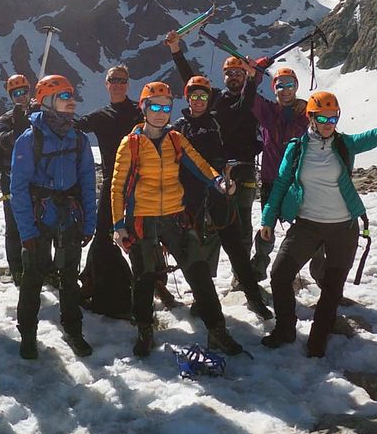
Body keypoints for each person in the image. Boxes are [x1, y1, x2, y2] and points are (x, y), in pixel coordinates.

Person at [259, 91, 377, 357]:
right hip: (306, 225)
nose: (330, 122)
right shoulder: (296, 149)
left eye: (334, 116)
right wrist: (267, 219)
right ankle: (285, 329)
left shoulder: (344, 144)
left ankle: (318, 339)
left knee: (331, 287)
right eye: (323, 117)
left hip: (343, 228)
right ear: (311, 118)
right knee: (280, 274)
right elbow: (281, 185)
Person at [112, 81, 244, 359]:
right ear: (144, 108)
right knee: (145, 278)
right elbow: (118, 186)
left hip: (174, 216)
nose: (161, 112)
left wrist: (219, 182)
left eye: (166, 107)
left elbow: (199, 164)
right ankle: (145, 329)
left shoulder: (176, 139)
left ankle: (217, 328)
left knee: (198, 273)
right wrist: (118, 225)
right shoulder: (130, 144)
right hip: (142, 220)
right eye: (155, 106)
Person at [170, 75, 273, 320]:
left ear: (209, 99)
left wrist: (251, 78)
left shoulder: (219, 121)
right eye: (194, 96)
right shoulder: (178, 128)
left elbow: (244, 103)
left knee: (235, 247)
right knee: (197, 250)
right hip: (191, 198)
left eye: (203, 96)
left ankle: (254, 298)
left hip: (219, 192)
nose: (198, 101)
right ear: (187, 98)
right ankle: (201, 298)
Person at [10, 75, 97, 360]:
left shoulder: (78, 139)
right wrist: (26, 232)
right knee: (33, 276)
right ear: (47, 101)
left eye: (71, 95)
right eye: (63, 96)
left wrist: (89, 222)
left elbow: (86, 181)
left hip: (69, 214)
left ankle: (73, 329)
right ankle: (28, 334)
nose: (71, 100)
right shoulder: (30, 138)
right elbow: (18, 187)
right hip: (39, 216)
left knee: (70, 277)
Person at [165, 30, 262, 276]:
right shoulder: (214, 99)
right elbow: (191, 81)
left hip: (244, 168)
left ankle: (243, 276)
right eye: (230, 73)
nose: (234, 77)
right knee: (213, 223)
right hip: (218, 171)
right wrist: (176, 51)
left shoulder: (252, 100)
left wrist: (252, 80)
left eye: (239, 73)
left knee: (242, 223)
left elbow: (244, 106)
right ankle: (208, 277)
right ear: (224, 76)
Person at [74, 64, 143, 318]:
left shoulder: (140, 112)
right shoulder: (100, 115)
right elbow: (74, 127)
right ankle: (100, 289)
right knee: (104, 238)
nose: (117, 84)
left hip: (138, 185)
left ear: (128, 83)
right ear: (106, 84)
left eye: (122, 80)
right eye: (113, 80)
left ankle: (139, 288)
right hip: (112, 184)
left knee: (135, 239)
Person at [250, 65, 311, 281]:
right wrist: (255, 73)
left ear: (296, 87)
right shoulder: (267, 111)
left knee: (307, 228)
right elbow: (250, 96)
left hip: (298, 181)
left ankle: (293, 270)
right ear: (274, 88)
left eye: (290, 85)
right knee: (267, 227)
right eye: (280, 85)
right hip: (270, 180)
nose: (285, 90)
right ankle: (257, 270)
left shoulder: (306, 112)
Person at [0, 74, 33, 285]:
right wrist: (18, 127)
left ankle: (40, 266)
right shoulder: (6, 119)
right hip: (11, 178)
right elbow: (3, 141)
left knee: (38, 223)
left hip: (35, 178)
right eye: (16, 93)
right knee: (13, 225)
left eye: (23, 92)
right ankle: (17, 269)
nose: (21, 97)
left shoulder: (39, 113)